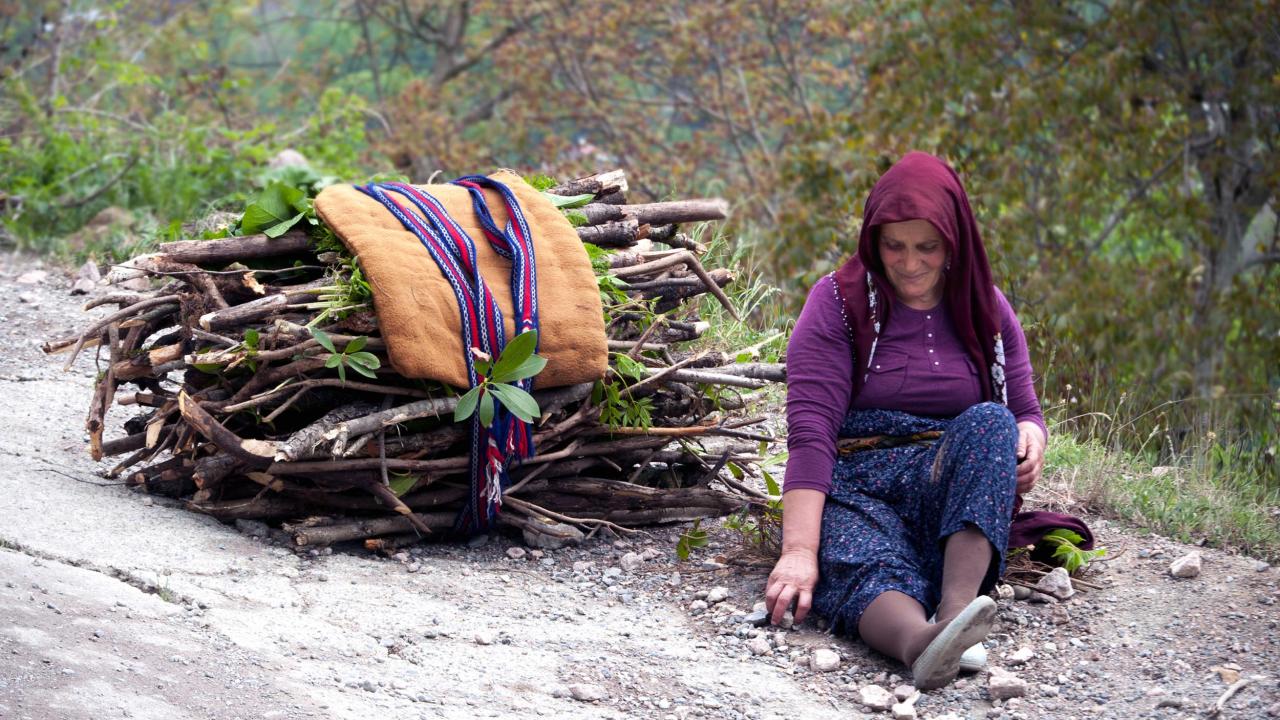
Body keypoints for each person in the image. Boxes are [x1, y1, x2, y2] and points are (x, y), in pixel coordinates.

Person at [764, 151, 1048, 690]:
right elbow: (812, 433)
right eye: (894, 245)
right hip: (857, 484)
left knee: (992, 422)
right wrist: (798, 551)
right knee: (858, 555)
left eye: (927, 247)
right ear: (873, 241)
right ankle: (922, 642)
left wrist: (1030, 436)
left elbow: (1024, 410)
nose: (910, 262)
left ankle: (958, 615)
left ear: (954, 243)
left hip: (946, 492)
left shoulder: (986, 309)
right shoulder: (837, 304)